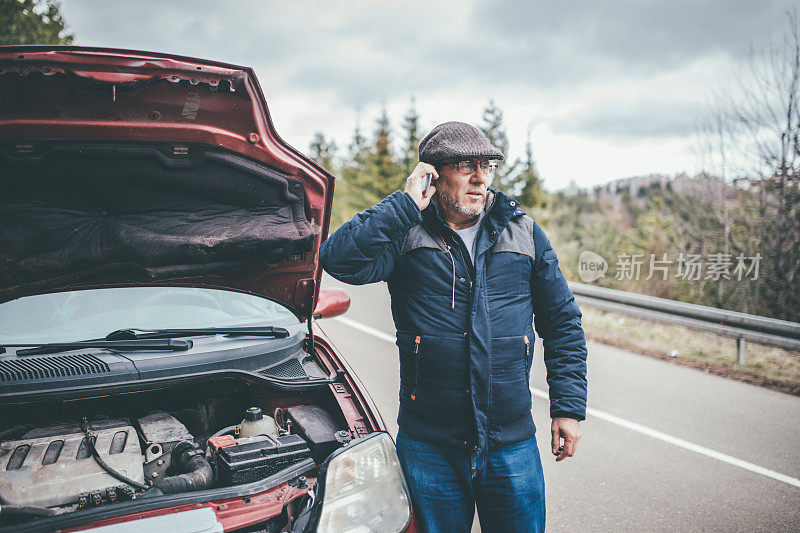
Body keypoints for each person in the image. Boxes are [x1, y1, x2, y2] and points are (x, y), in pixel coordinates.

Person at [319, 121, 588, 533]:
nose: (480, 178)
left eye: (488, 166)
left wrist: (567, 407)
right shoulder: (405, 232)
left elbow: (562, 321)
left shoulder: (525, 233)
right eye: (466, 166)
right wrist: (404, 204)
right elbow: (338, 259)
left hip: (511, 443)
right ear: (432, 173)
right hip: (429, 447)